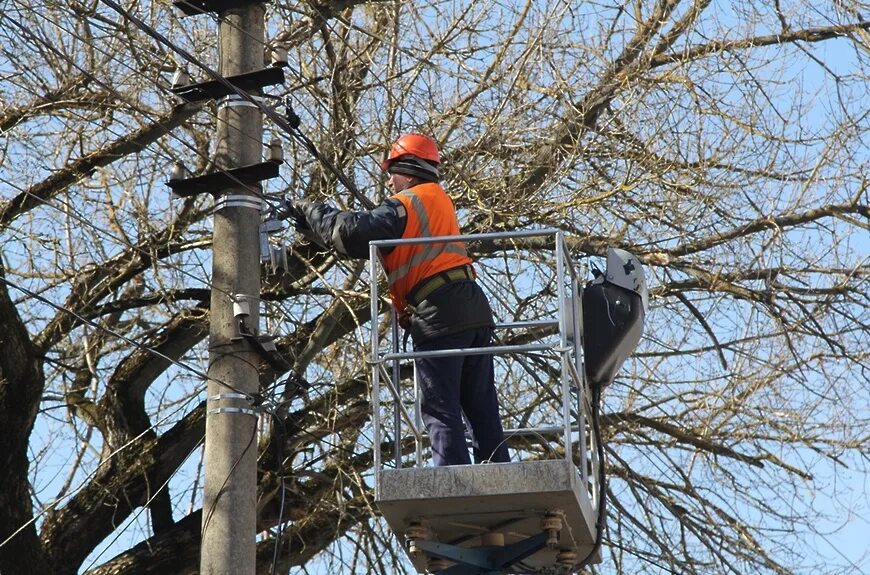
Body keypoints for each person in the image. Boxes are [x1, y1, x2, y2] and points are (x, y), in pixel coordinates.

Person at [288, 133, 510, 466]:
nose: (390, 182)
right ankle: (499, 472)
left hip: (439, 313)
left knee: (440, 406)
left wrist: (312, 210)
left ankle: (452, 481)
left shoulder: (406, 203)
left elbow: (352, 234)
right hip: (472, 307)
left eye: (391, 173)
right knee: (480, 406)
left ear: (407, 169)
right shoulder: (438, 201)